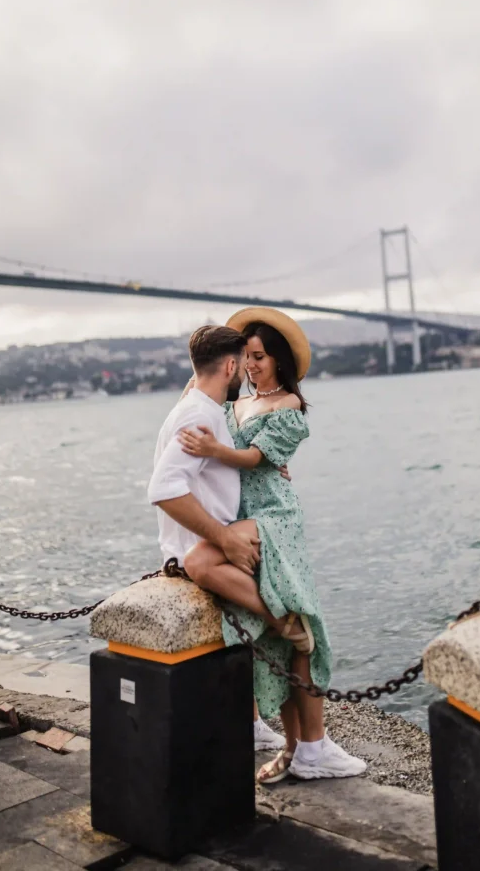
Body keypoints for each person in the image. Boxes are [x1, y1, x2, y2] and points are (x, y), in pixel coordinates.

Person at [178, 307, 366, 784]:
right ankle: (297, 744)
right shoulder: (233, 402)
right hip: (240, 518)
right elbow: (195, 395)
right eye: (246, 357)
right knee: (281, 634)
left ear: (279, 360)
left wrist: (214, 451)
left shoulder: (289, 407)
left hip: (275, 519)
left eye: (259, 357)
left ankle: (310, 748)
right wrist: (205, 358)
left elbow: (253, 457)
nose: (252, 365)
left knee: (289, 613)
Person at [147, 323, 288, 752]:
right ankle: (308, 741)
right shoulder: (199, 414)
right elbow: (164, 489)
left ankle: (254, 722)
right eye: (241, 363)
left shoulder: (198, 405)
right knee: (293, 614)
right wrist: (225, 538)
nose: (246, 370)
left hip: (200, 549)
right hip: (199, 555)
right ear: (230, 365)